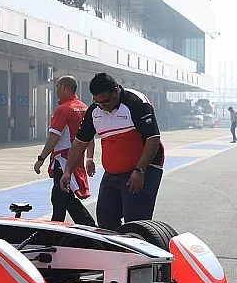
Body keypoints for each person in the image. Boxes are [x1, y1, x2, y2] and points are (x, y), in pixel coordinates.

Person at [60, 73, 164, 230]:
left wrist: (140, 170)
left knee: (135, 224)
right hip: (112, 173)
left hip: (143, 169)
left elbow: (153, 139)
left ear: (116, 90)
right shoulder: (95, 110)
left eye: (106, 101)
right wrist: (68, 171)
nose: (103, 106)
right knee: (105, 220)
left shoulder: (136, 102)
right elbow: (79, 143)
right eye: (98, 102)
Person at [33, 76, 95, 226]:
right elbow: (89, 137)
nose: (55, 91)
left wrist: (41, 159)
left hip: (63, 160)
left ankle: (89, 226)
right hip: (77, 161)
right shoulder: (84, 108)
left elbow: (53, 138)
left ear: (62, 88)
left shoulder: (63, 109)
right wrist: (89, 158)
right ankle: (56, 227)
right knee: (58, 198)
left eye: (56, 88)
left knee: (65, 197)